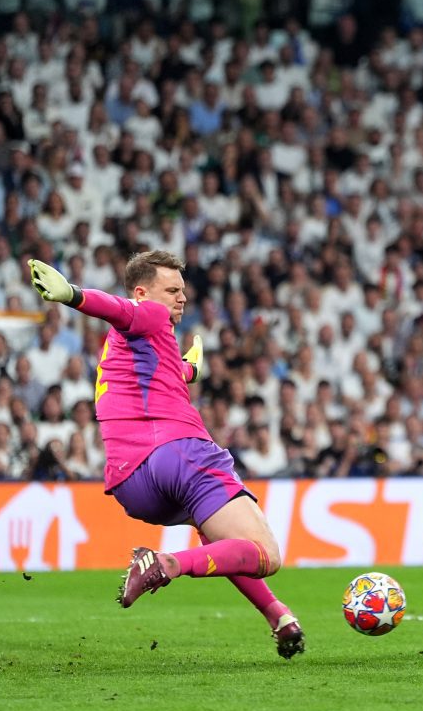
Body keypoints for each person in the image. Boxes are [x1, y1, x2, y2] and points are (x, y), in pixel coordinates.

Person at [27, 252, 304, 659]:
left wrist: (190, 371)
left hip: (133, 486)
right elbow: (120, 309)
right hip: (178, 452)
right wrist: (73, 294)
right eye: (172, 290)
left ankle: (278, 615)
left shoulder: (123, 350)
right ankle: (166, 563)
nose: (181, 299)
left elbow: (161, 372)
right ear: (143, 292)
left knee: (217, 535)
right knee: (267, 554)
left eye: (183, 291)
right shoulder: (148, 316)